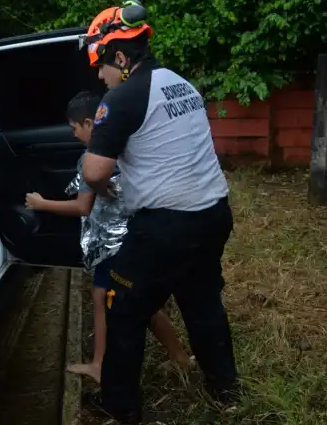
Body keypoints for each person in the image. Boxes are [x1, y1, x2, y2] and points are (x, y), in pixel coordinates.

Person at [79, 2, 238, 423]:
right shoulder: (181, 83)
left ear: (119, 56)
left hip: (166, 226)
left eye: (100, 64)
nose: (99, 76)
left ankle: (120, 406)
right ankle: (226, 390)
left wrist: (99, 184)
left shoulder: (124, 96)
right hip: (213, 213)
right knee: (203, 302)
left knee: (123, 307)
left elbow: (95, 169)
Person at [24, 91, 193, 384]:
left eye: (74, 128)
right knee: (125, 301)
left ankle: (102, 366)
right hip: (136, 236)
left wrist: (41, 204)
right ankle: (175, 358)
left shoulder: (93, 158)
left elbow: (82, 206)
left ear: (89, 123)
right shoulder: (126, 147)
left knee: (114, 300)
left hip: (112, 245)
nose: (74, 134)